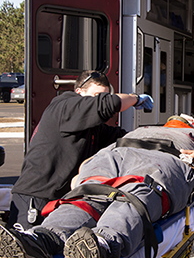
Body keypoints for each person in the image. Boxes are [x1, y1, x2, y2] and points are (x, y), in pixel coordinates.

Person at [0, 115, 194, 258]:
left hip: (169, 158)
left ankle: (102, 242)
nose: (176, 120)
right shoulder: (143, 128)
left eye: (183, 119)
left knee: (137, 194)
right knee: (85, 197)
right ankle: (41, 240)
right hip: (117, 153)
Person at [8, 70, 154, 230]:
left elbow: (122, 138)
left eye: (104, 95)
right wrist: (135, 98)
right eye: (96, 95)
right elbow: (108, 104)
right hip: (35, 198)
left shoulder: (92, 127)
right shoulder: (65, 106)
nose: (99, 100)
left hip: (58, 200)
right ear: (79, 92)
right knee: (25, 251)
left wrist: (160, 137)